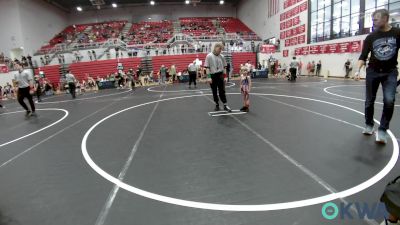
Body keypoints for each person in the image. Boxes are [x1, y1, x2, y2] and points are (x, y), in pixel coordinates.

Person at [355, 9, 399, 144]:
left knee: (389, 100)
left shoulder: (397, 33)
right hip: (373, 72)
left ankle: (382, 130)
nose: (373, 22)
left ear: (385, 18)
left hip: (390, 72)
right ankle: (369, 125)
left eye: (376, 19)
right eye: (373, 19)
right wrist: (357, 70)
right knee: (369, 101)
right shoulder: (370, 37)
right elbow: (363, 56)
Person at [205, 43, 232, 112]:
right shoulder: (209, 56)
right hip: (213, 75)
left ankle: (225, 105)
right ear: (216, 47)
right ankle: (217, 104)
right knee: (214, 91)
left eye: (221, 49)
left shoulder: (222, 56)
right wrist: (209, 77)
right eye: (220, 49)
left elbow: (224, 67)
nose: (220, 51)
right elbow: (207, 68)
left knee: (222, 91)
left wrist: (225, 76)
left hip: (220, 75)